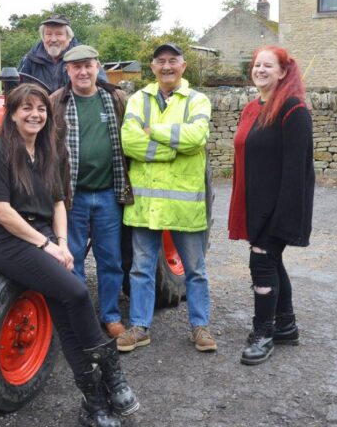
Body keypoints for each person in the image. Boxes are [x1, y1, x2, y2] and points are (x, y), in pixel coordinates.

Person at [0, 83, 138, 427]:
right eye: (26, 108)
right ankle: (113, 375)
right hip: (7, 239)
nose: (35, 114)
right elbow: (1, 211)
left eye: (41, 108)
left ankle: (93, 403)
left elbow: (58, 203)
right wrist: (46, 245)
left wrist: (63, 243)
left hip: (43, 235)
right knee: (77, 293)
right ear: (12, 113)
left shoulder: (49, 149)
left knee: (65, 312)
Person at [118, 43, 217, 353]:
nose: (167, 66)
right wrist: (172, 149)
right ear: (153, 67)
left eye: (173, 60)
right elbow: (129, 142)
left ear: (183, 66)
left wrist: (154, 130)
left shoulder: (197, 100)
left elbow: (196, 137)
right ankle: (140, 327)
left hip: (183, 204)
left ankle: (200, 327)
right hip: (145, 205)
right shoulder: (138, 99)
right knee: (140, 269)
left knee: (195, 270)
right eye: (160, 61)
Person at [227, 45, 314, 365]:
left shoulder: (293, 110)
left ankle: (264, 332)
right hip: (255, 203)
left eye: (268, 65)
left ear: (283, 71)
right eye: (257, 65)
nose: (260, 70)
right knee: (272, 262)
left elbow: (297, 170)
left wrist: (283, 217)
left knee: (262, 263)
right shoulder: (252, 108)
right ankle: (286, 325)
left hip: (278, 207)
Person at [49, 45, 131, 339]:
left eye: (88, 65)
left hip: (108, 193)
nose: (83, 72)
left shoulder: (116, 98)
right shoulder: (55, 101)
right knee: (72, 260)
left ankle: (111, 316)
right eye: (76, 67)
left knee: (111, 260)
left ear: (98, 67)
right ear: (67, 70)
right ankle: (81, 319)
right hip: (72, 196)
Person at [18, 14, 108, 93]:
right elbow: (17, 90)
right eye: (48, 34)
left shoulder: (85, 56)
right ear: (43, 37)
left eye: (59, 34)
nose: (53, 39)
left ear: (69, 37)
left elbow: (103, 87)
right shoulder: (29, 59)